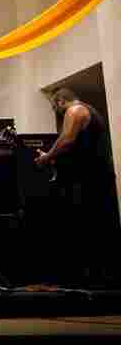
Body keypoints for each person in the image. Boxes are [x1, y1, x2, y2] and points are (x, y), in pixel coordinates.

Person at [35, 88, 119, 287]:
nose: (58, 111)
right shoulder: (90, 112)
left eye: (56, 107)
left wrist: (47, 157)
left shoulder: (74, 111)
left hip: (88, 181)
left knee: (85, 229)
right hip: (96, 179)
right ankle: (101, 280)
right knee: (98, 230)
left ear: (60, 101)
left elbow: (67, 139)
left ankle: (87, 281)